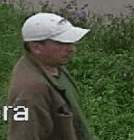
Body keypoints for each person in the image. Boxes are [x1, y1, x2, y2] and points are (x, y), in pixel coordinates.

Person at [7, 12, 97, 140]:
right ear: (36, 47)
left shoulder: (53, 66)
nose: (71, 49)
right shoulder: (31, 92)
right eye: (62, 43)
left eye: (71, 43)